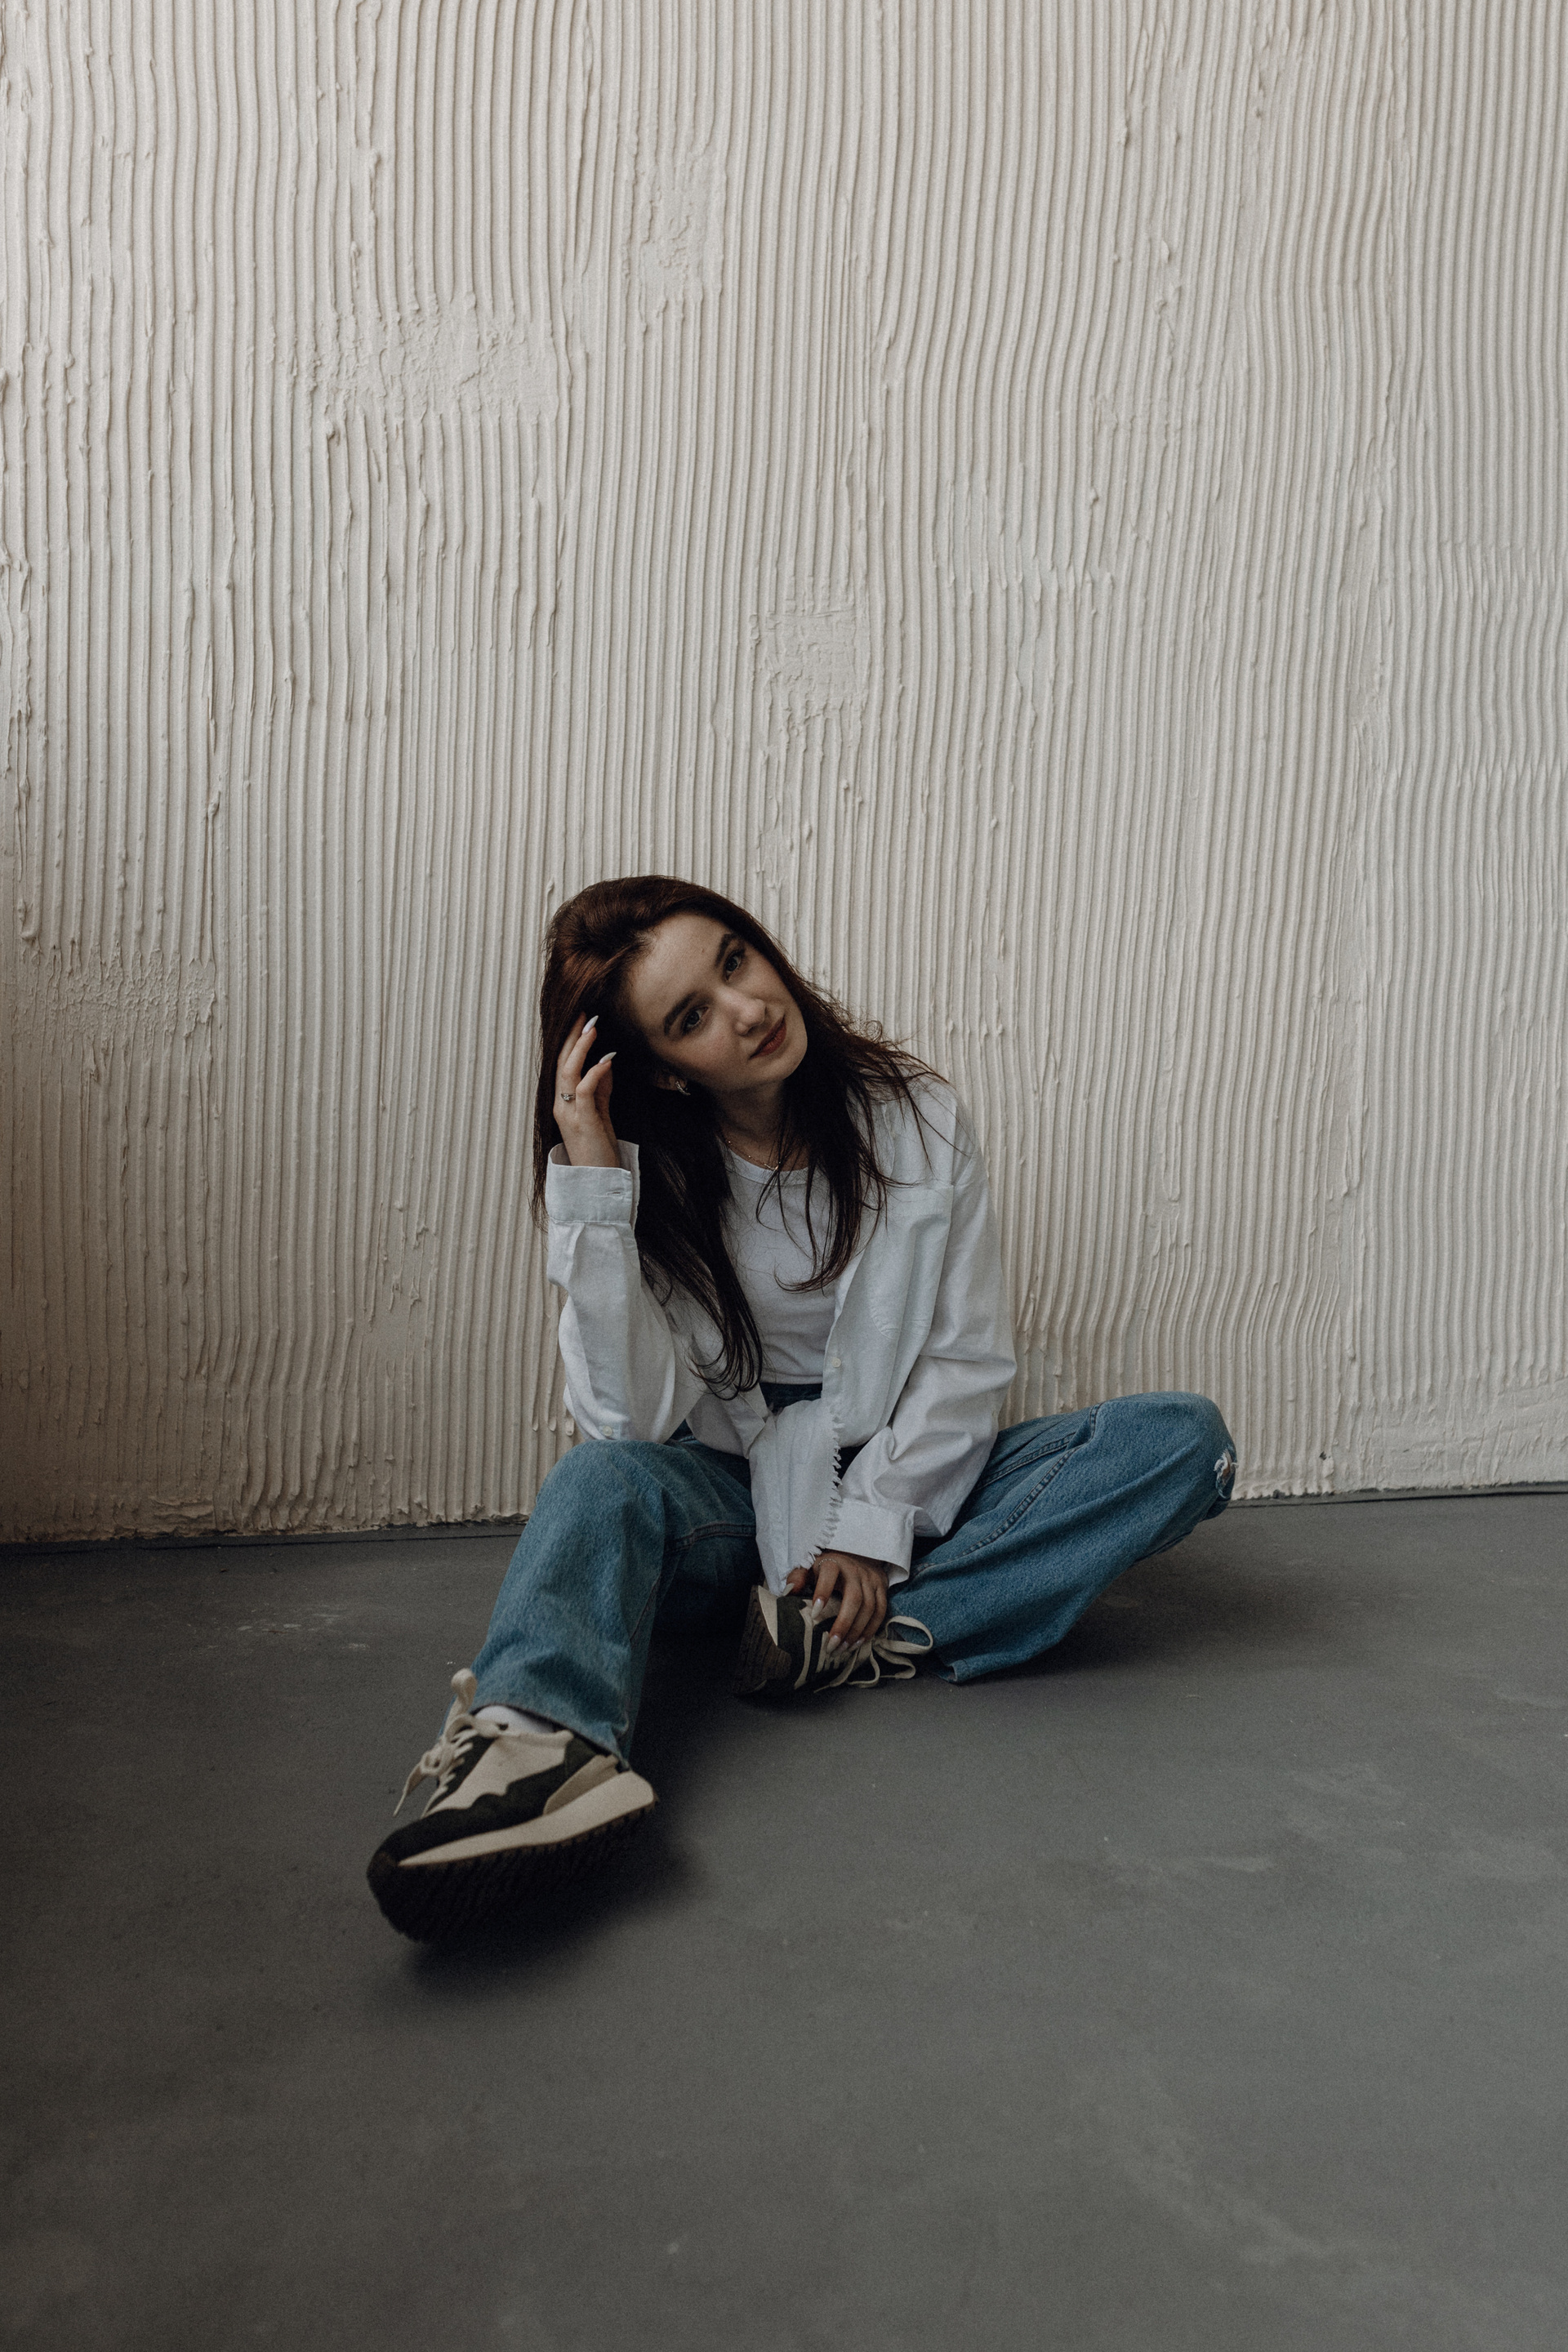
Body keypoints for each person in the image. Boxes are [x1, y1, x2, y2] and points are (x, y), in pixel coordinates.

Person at [368, 877, 1236, 1940]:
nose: (746, 1010)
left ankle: (829, 1630)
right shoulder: (650, 1179)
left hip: (904, 1472)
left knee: (1180, 1442)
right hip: (729, 1494)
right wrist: (594, 1191)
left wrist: (872, 1528)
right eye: (692, 1016)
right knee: (597, 1481)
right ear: (665, 1071)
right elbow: (628, 1424)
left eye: (735, 961)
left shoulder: (917, 1116)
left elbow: (964, 1358)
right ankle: (542, 1748)